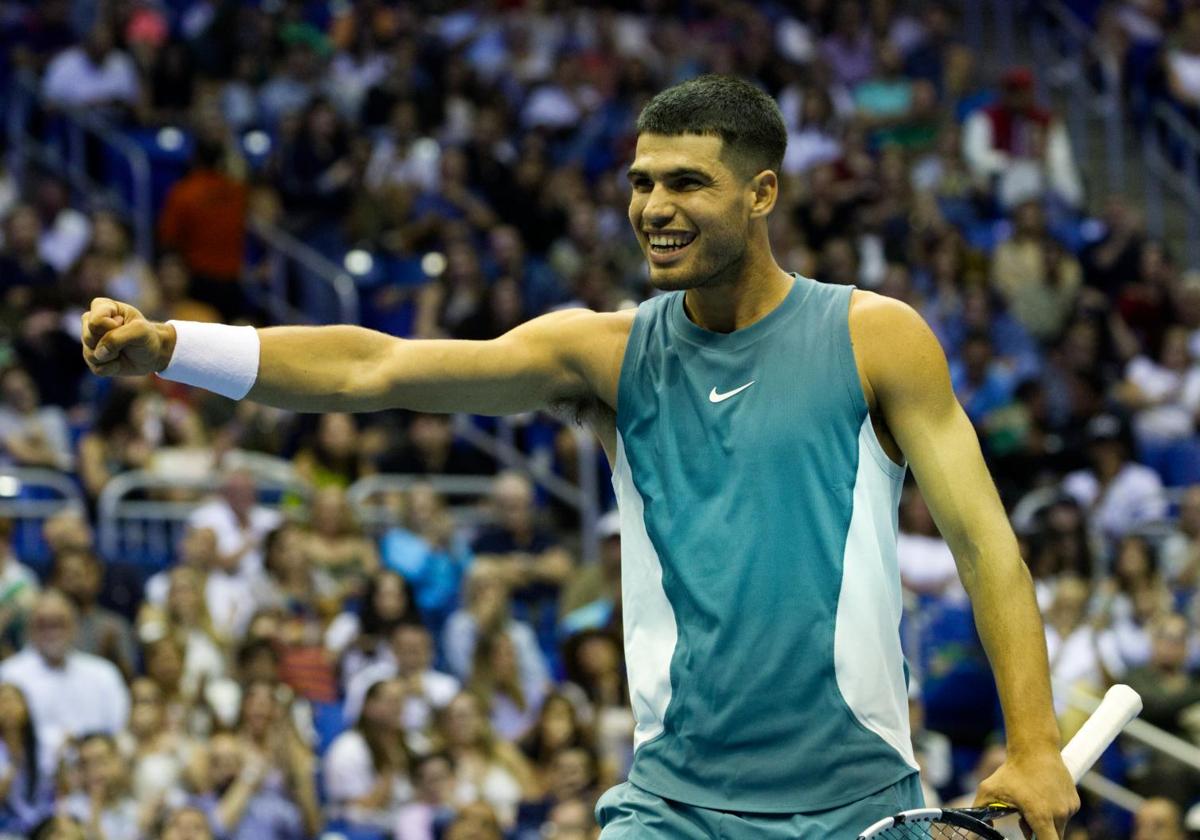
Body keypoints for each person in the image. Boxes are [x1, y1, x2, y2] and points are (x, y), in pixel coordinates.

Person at [82, 73, 1077, 838]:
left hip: (859, 802)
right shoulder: (603, 352)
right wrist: (174, 348)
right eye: (642, 181)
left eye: (687, 181)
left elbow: (991, 552)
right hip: (671, 805)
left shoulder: (878, 338)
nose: (654, 205)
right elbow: (369, 369)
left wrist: (1033, 746)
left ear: (762, 191)